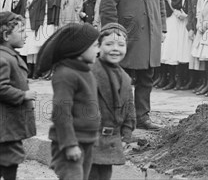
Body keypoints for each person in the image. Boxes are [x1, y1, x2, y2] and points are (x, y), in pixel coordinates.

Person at [100, 0, 167, 131]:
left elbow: (160, 6)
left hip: (150, 37)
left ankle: (142, 117)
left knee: (147, 78)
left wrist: (162, 28)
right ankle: (119, 117)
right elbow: (107, 7)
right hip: (126, 39)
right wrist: (113, 36)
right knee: (122, 79)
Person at [36, 23, 101, 180]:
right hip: (69, 144)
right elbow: (61, 112)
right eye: (94, 46)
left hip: (86, 140)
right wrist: (70, 144)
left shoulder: (86, 71)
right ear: (79, 49)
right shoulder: (65, 74)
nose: (98, 51)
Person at [89, 24, 136, 180]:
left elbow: (129, 109)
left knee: (104, 176)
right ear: (98, 46)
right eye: (109, 44)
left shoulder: (125, 79)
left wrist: (126, 134)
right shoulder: (89, 73)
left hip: (110, 143)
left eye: (121, 45)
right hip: (88, 142)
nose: (115, 48)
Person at [0, 12, 37, 180]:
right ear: (6, 35)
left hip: (8, 126)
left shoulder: (9, 55)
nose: (26, 35)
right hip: (6, 126)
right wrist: (23, 95)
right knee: (10, 159)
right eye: (21, 31)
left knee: (8, 159)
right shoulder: (3, 59)